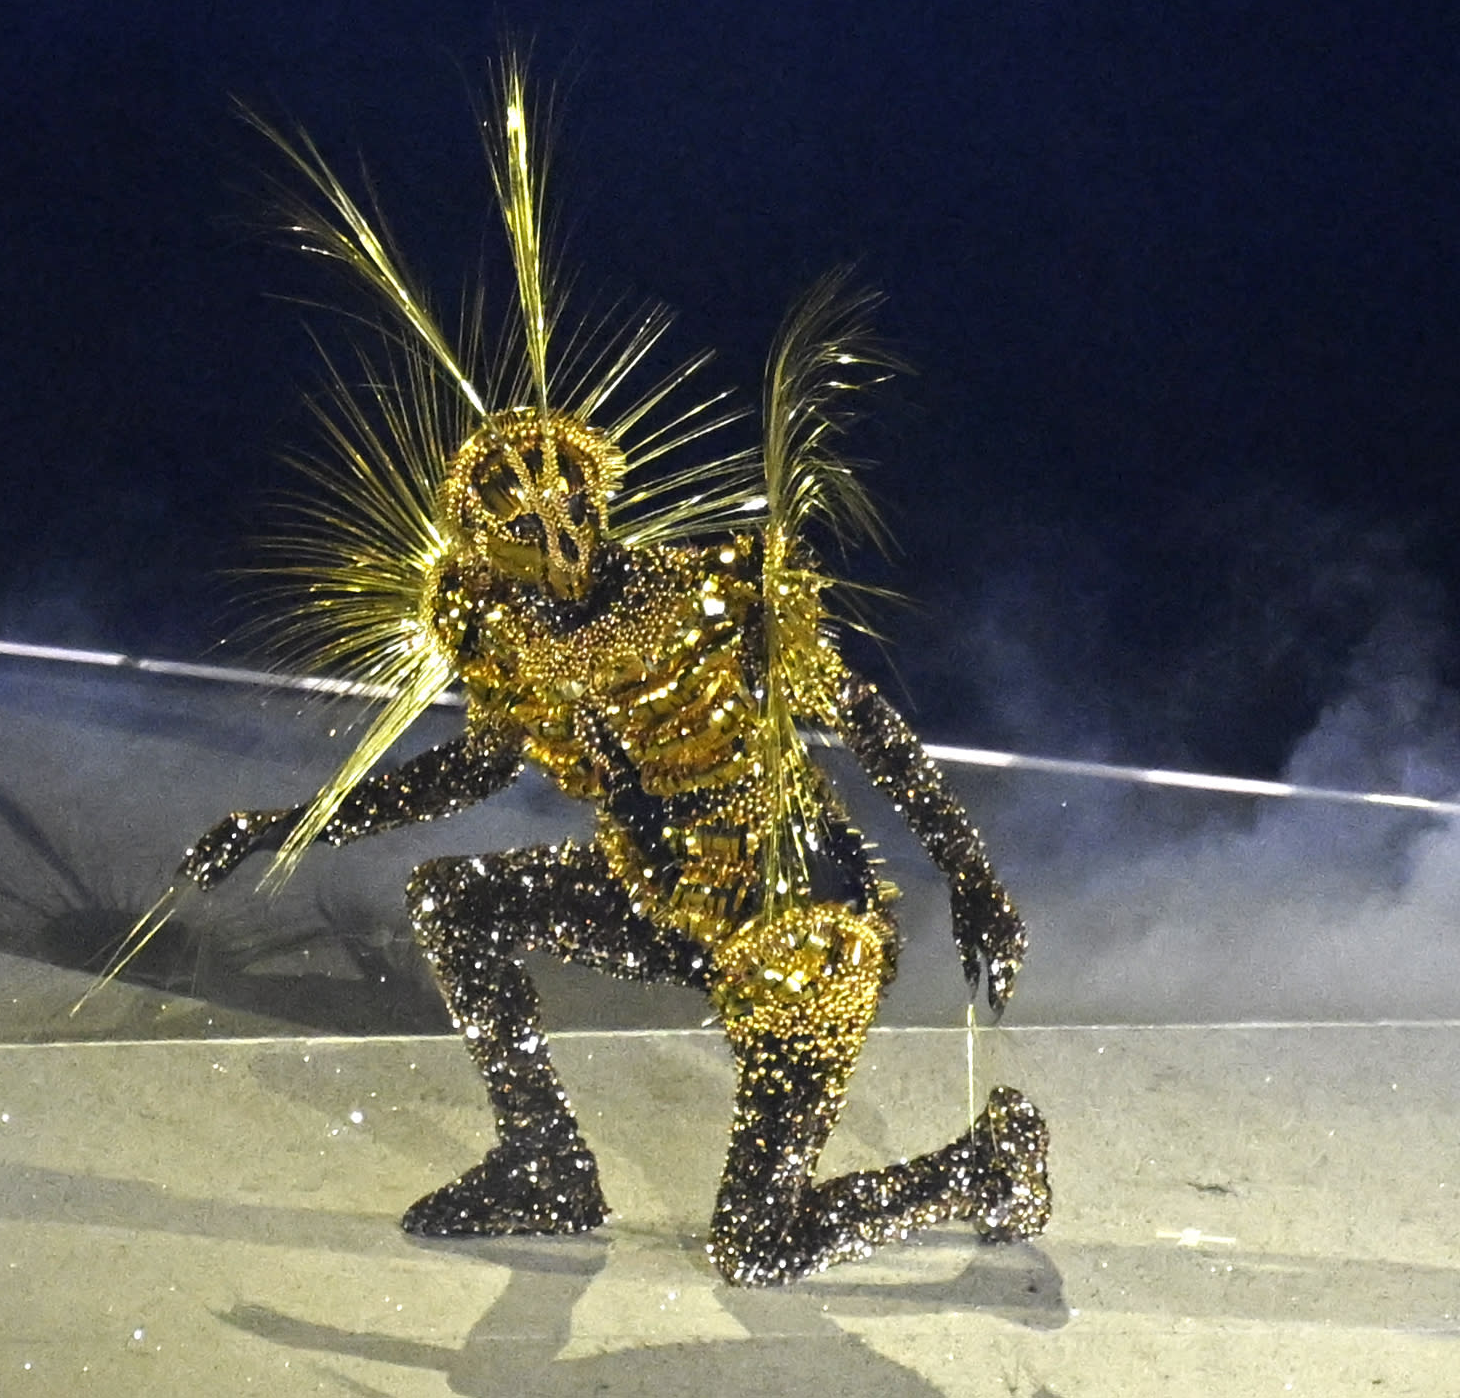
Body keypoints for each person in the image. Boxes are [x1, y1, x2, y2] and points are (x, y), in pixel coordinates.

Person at [177, 68, 1047, 1286]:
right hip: (663, 899)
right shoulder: (518, 648)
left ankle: (982, 1169)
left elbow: (866, 722)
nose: (552, 530)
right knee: (457, 899)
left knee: (754, 1244)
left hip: (800, 921)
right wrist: (297, 821)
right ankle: (544, 1160)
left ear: (599, 491)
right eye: (516, 516)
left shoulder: (713, 594)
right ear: (481, 542)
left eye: (563, 499)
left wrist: (969, 875)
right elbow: (467, 769)